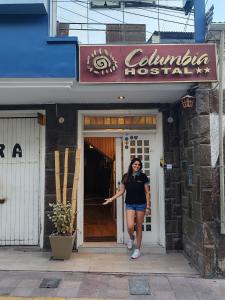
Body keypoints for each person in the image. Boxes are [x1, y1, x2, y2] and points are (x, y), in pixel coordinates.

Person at [103, 157, 151, 259]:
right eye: (135, 164)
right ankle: (131, 237)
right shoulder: (126, 176)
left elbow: (147, 192)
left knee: (138, 226)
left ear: (140, 166)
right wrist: (111, 199)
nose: (137, 166)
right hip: (129, 204)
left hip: (141, 204)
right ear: (131, 165)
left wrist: (148, 206)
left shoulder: (143, 177)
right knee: (129, 226)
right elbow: (121, 191)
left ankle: (137, 250)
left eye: (138, 165)